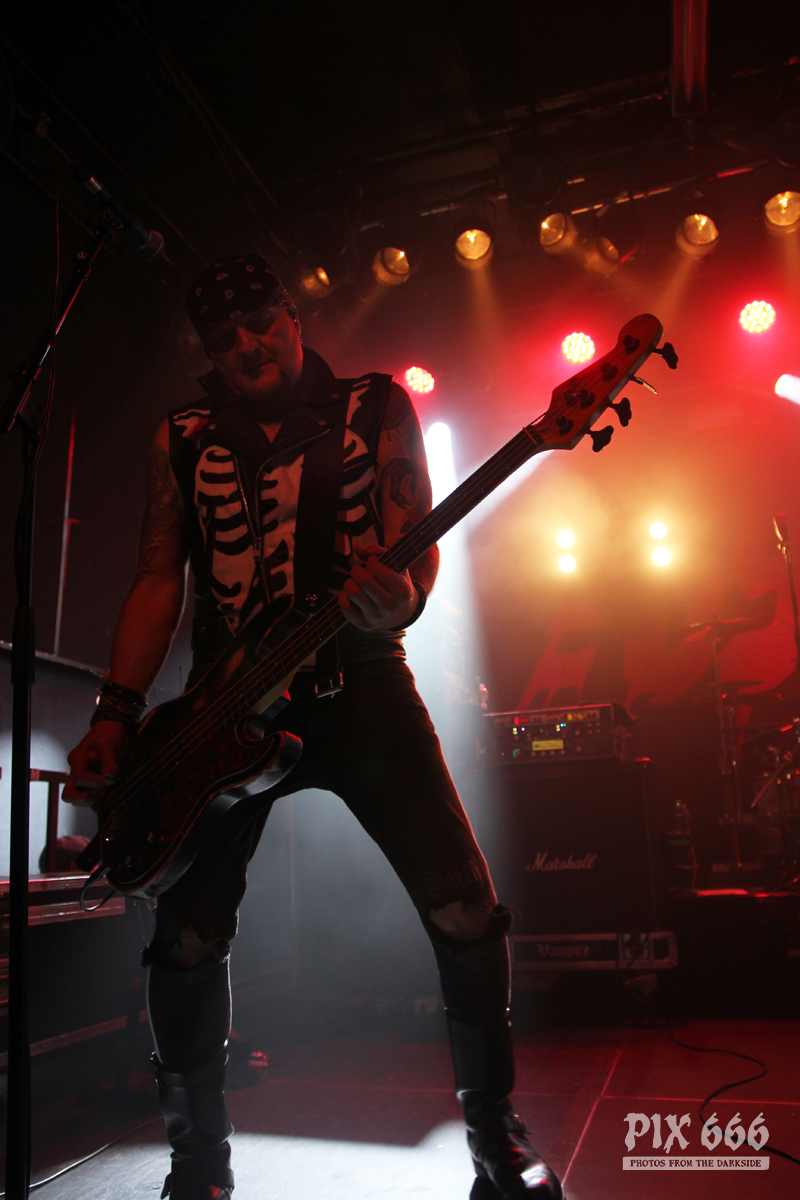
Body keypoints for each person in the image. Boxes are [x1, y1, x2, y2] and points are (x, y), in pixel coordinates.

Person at [64, 255, 562, 1200]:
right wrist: (116, 713)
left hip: (361, 680)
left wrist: (401, 601)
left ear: (294, 316)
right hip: (224, 702)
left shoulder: (375, 406)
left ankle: (496, 1138)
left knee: (465, 909)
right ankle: (196, 1168)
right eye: (225, 339)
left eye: (262, 322)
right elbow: (157, 577)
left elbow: (416, 541)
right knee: (184, 937)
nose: (247, 346)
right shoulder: (182, 436)